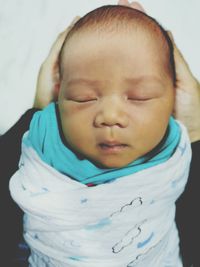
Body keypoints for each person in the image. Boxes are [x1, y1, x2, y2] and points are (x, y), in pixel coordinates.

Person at [0, 2, 199, 267]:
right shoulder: (43, 135)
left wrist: (195, 130)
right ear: (59, 93)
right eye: (83, 98)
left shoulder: (176, 148)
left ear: (173, 95)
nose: (110, 116)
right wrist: (36, 113)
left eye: (140, 97)